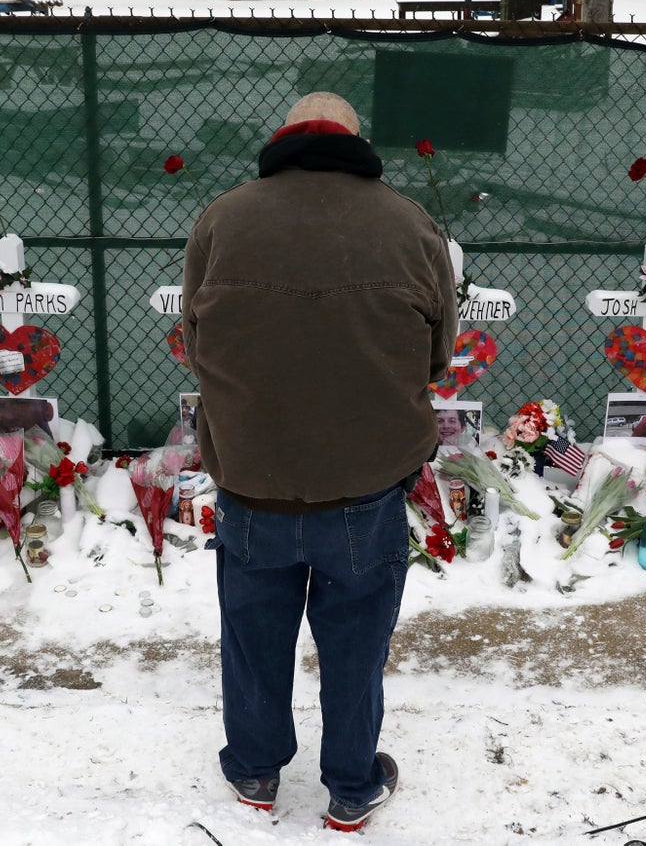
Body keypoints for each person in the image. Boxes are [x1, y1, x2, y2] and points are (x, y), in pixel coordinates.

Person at [183, 92, 457, 832]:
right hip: (364, 484)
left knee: (252, 635)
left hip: (251, 479)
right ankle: (351, 785)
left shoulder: (222, 219)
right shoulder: (410, 225)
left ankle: (254, 770)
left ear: (284, 139)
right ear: (354, 142)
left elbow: (196, 337)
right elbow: (437, 352)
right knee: (357, 640)